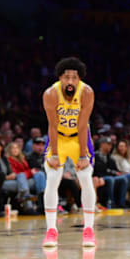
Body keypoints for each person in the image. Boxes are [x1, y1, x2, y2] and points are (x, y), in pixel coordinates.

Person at [42, 57, 96, 247]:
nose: (71, 81)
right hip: (58, 137)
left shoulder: (87, 92)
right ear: (60, 79)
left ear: (79, 79)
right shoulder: (50, 93)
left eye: (75, 78)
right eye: (67, 77)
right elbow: (52, 125)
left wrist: (83, 155)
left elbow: (82, 125)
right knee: (52, 178)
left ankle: (88, 229)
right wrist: (55, 154)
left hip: (79, 138)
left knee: (86, 179)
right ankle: (51, 230)